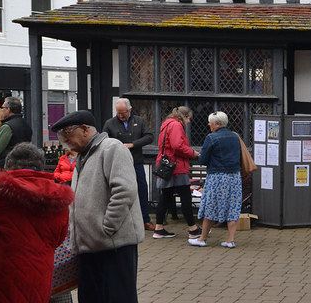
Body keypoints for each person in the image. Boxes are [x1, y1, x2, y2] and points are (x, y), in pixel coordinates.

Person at [0, 141, 74, 303]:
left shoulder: (4, 192)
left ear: (10, 165)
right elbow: (59, 238)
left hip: (4, 273)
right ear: (41, 166)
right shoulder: (59, 197)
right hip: (41, 272)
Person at [51, 109, 144, 303]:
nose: (64, 141)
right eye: (61, 137)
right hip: (89, 245)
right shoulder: (83, 155)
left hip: (113, 245)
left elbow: (124, 190)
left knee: (117, 297)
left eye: (67, 134)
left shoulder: (111, 148)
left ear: (85, 129)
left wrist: (107, 228)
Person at [188, 111, 243, 248]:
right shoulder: (235, 137)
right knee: (233, 207)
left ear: (217, 124)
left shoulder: (211, 138)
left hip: (217, 176)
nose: (208, 124)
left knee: (210, 206)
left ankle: (202, 238)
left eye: (210, 122)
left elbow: (203, 159)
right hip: (234, 176)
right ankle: (230, 240)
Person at [102, 97, 155, 230]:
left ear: (129, 110)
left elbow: (149, 137)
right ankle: (120, 221)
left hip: (136, 161)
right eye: (118, 113)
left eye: (123, 113)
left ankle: (145, 219)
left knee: (141, 189)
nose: (121, 116)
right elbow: (104, 141)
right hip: (118, 163)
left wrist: (133, 144)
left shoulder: (139, 121)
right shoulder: (110, 123)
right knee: (119, 191)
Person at [153, 105, 199, 239]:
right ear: (183, 117)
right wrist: (193, 153)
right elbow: (177, 146)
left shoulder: (166, 124)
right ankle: (192, 229)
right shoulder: (176, 125)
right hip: (176, 167)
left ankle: (158, 228)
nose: (189, 122)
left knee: (165, 197)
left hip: (166, 165)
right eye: (189, 119)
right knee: (185, 197)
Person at [0, 96, 33, 171]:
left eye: (3, 108)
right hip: (23, 164)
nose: (1, 110)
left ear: (8, 110)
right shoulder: (26, 125)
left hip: (7, 164)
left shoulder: (7, 126)